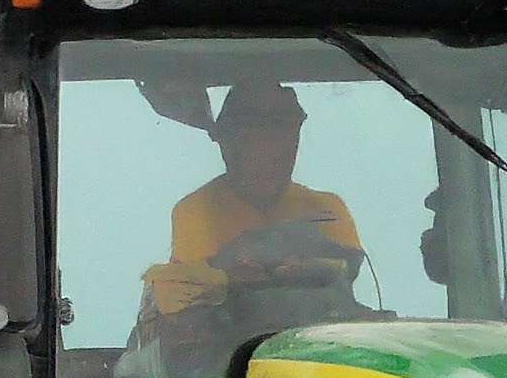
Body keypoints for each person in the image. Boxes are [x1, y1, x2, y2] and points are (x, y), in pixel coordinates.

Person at [141, 82, 361, 318]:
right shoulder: (199, 210)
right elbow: (193, 299)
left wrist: (317, 270)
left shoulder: (326, 209)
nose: (267, 158)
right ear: (226, 146)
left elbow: (345, 275)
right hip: (228, 351)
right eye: (254, 148)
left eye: (280, 150)